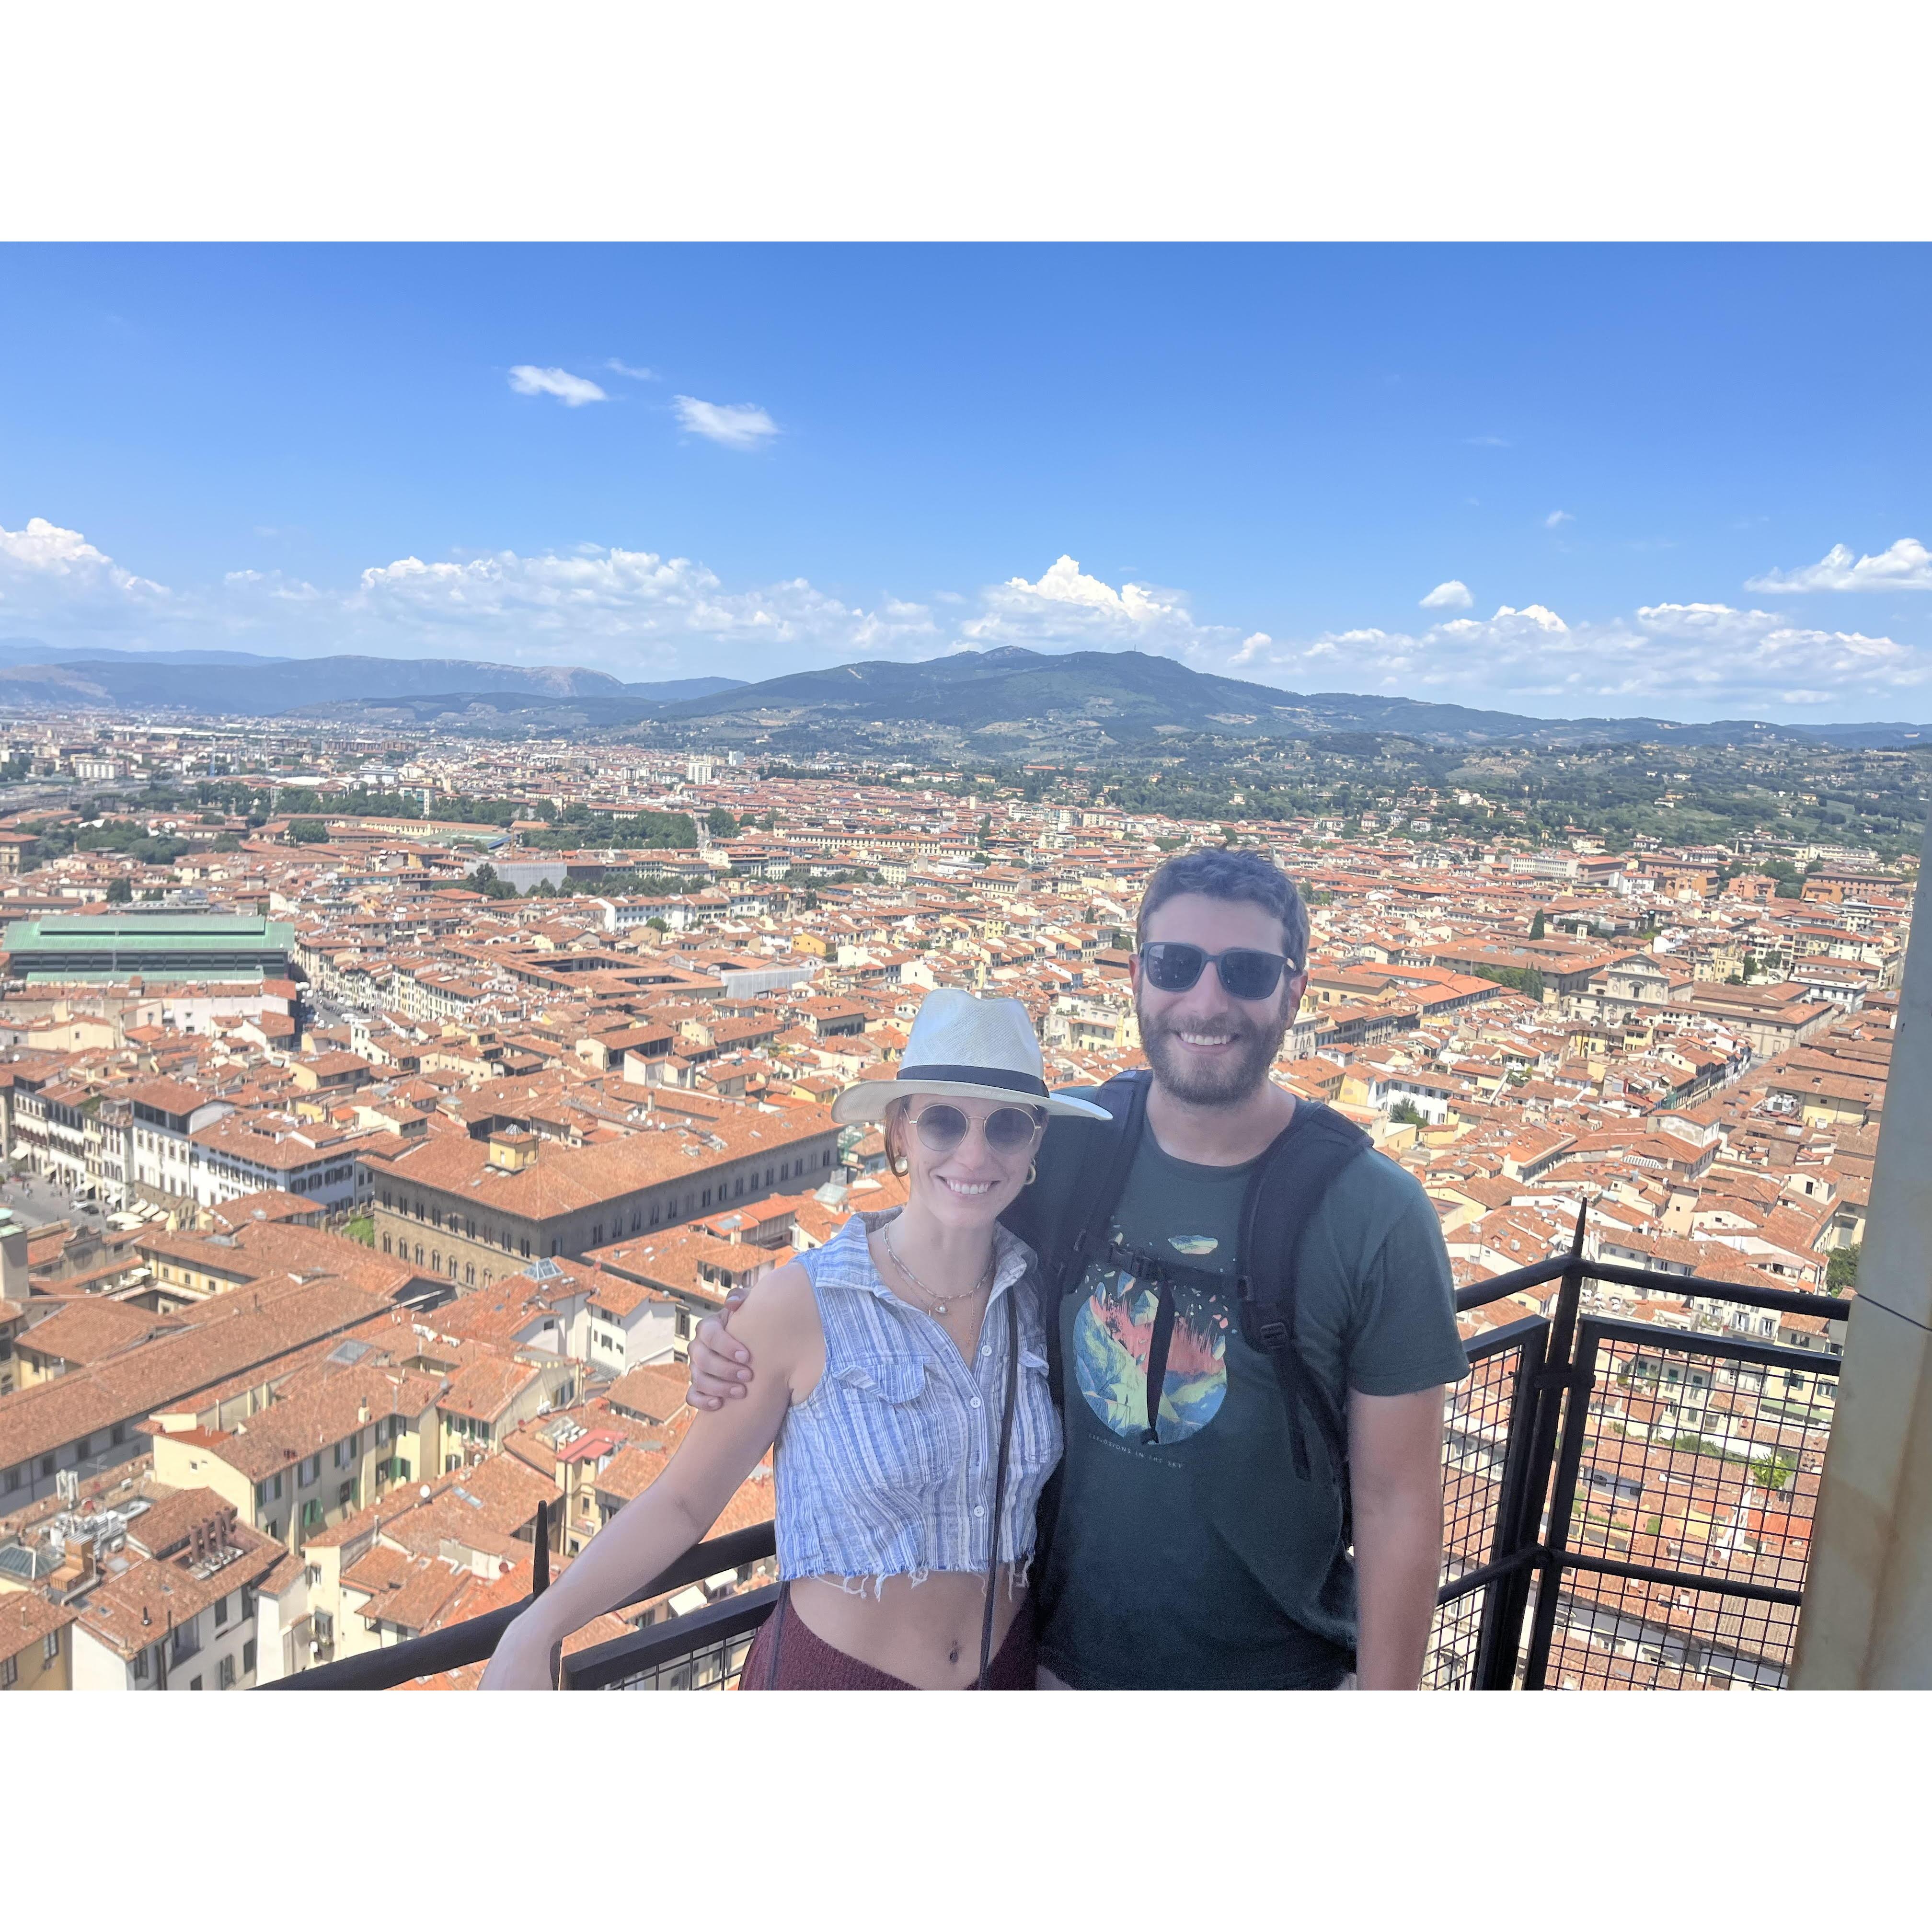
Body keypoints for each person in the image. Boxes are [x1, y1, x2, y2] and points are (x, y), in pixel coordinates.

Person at [691, 847, 1469, 1690]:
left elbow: (1399, 1502)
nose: (1207, 1000)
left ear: (1294, 989)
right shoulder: (1075, 1150)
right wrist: (762, 1314)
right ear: (1138, 976)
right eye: (1177, 965)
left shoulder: (1376, 1215)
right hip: (1053, 1667)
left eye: (1245, 972)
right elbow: (938, 1223)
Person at [480, 989, 1107, 1690]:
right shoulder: (799, 1303)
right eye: (944, 1122)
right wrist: (539, 1625)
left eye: (1006, 1128)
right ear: (899, 1131)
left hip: (1005, 1676)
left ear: (1034, 1146)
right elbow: (683, 1502)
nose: (973, 1153)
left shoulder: (1041, 1297)